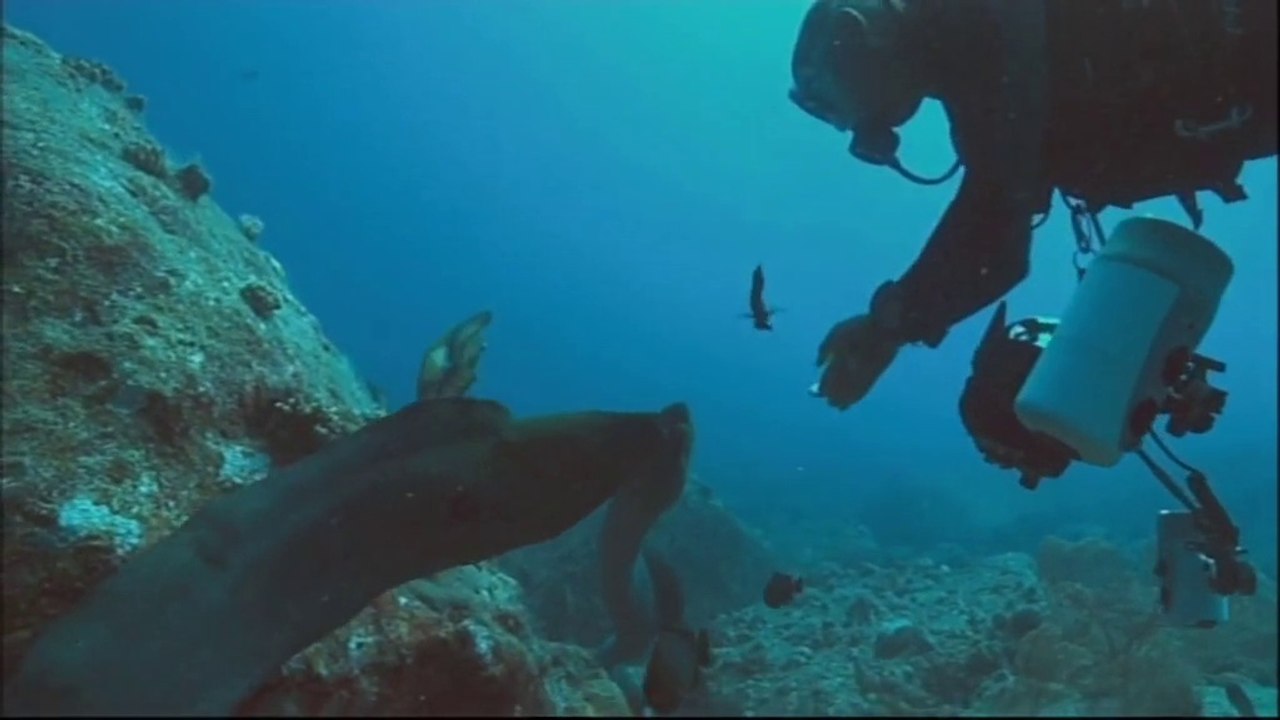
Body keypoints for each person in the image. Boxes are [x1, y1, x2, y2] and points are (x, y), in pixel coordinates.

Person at [790, 0, 1278, 410]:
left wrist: (889, 326)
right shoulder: (978, 61)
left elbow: (996, 227)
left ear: (861, 38)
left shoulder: (980, 32)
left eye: (836, 100)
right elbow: (998, 199)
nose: (855, 127)